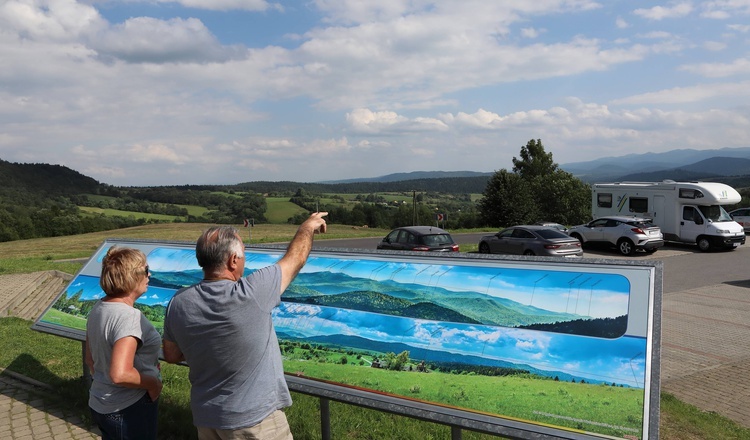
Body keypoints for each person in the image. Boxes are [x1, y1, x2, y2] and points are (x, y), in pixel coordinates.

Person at [162, 212, 328, 440]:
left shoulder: (179, 302)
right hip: (255, 423)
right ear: (232, 260)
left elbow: (171, 355)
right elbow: (296, 258)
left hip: (207, 418)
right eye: (243, 256)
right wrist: (307, 227)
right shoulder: (251, 292)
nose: (244, 261)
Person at [85, 246, 163, 440]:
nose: (149, 274)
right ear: (132, 276)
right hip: (128, 407)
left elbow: (91, 359)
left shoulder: (99, 307)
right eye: (146, 270)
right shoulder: (128, 317)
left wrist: (146, 366)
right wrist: (153, 384)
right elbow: (120, 374)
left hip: (101, 402)